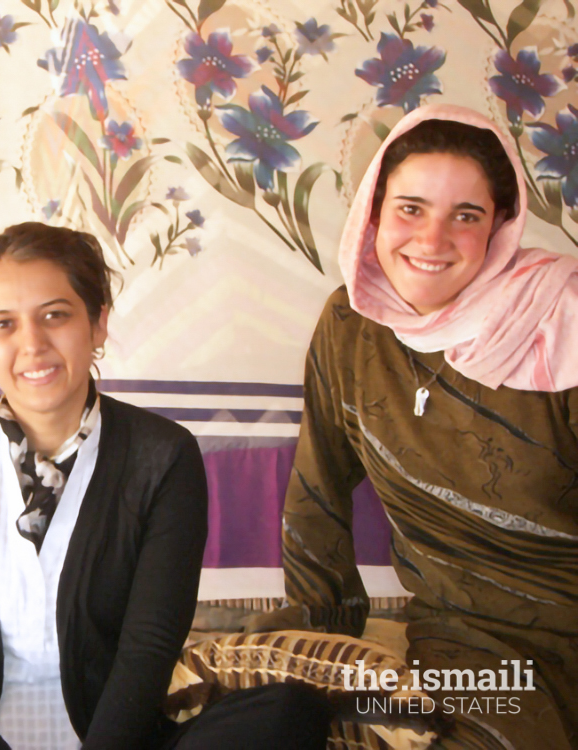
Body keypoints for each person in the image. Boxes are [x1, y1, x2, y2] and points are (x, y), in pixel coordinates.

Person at [0, 222, 331, 750]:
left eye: (55, 316)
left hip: (111, 738)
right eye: (3, 325)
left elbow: (149, 647)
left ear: (98, 322)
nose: (32, 345)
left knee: (288, 716)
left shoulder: (162, 455)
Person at [280, 104, 578, 748]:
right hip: (470, 643)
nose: (432, 239)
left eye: (465, 216)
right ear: (374, 213)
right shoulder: (350, 326)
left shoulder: (562, 320)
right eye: (410, 208)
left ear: (500, 226)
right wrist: (312, 655)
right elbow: (316, 498)